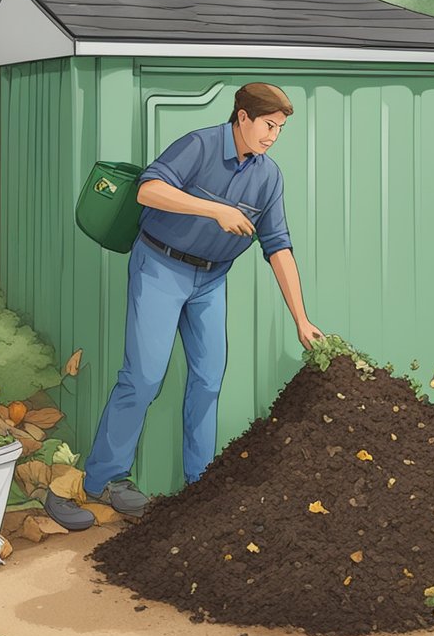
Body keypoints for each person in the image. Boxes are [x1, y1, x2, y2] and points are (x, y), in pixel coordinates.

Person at [46, 83, 324, 529]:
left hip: (211, 280)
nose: (273, 135)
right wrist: (213, 210)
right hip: (160, 266)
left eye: (281, 128)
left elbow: (279, 247)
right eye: (269, 125)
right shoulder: (199, 145)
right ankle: (102, 482)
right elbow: (148, 190)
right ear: (243, 117)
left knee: (209, 379)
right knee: (143, 377)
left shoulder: (268, 176)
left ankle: (201, 486)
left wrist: (301, 319)